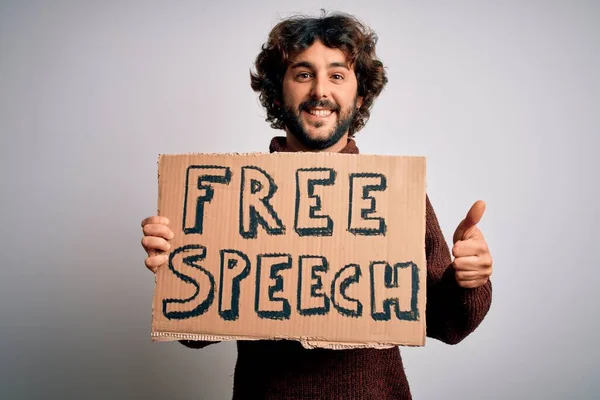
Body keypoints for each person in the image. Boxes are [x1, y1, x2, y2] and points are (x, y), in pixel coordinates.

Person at [140, 11, 493, 400]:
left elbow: (448, 325)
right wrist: (175, 269)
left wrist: (468, 281)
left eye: (337, 75)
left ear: (359, 97)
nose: (320, 91)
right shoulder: (230, 194)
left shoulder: (395, 195)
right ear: (278, 92)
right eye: (303, 74)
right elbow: (195, 337)